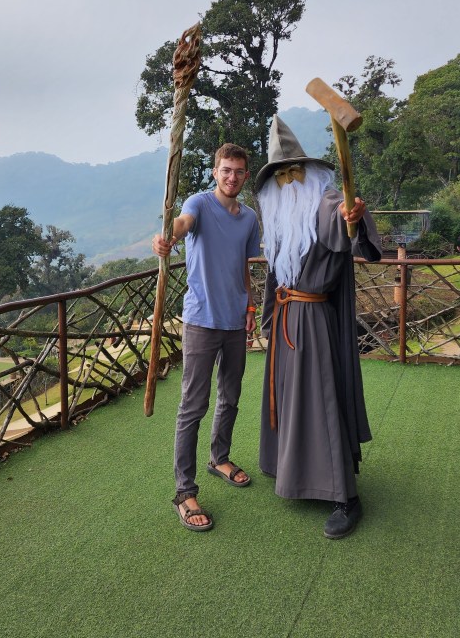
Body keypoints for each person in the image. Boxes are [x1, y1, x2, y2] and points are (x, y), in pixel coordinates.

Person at [253, 115, 382, 539]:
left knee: (322, 400)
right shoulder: (274, 218)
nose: (288, 182)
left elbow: (342, 226)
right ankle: (291, 470)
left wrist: (354, 215)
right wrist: (270, 321)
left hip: (314, 321)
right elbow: (275, 275)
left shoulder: (326, 202)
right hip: (288, 319)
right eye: (280, 176)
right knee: (290, 398)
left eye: (294, 173)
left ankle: (345, 496)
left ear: (309, 173)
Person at [151, 142, 261, 532]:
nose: (232, 177)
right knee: (192, 406)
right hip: (200, 321)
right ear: (215, 172)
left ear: (245, 176)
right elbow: (180, 225)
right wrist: (167, 238)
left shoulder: (249, 218)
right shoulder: (198, 203)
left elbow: (245, 267)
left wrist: (249, 308)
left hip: (235, 320)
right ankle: (184, 491)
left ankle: (220, 458)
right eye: (225, 170)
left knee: (230, 396)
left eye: (239, 172)